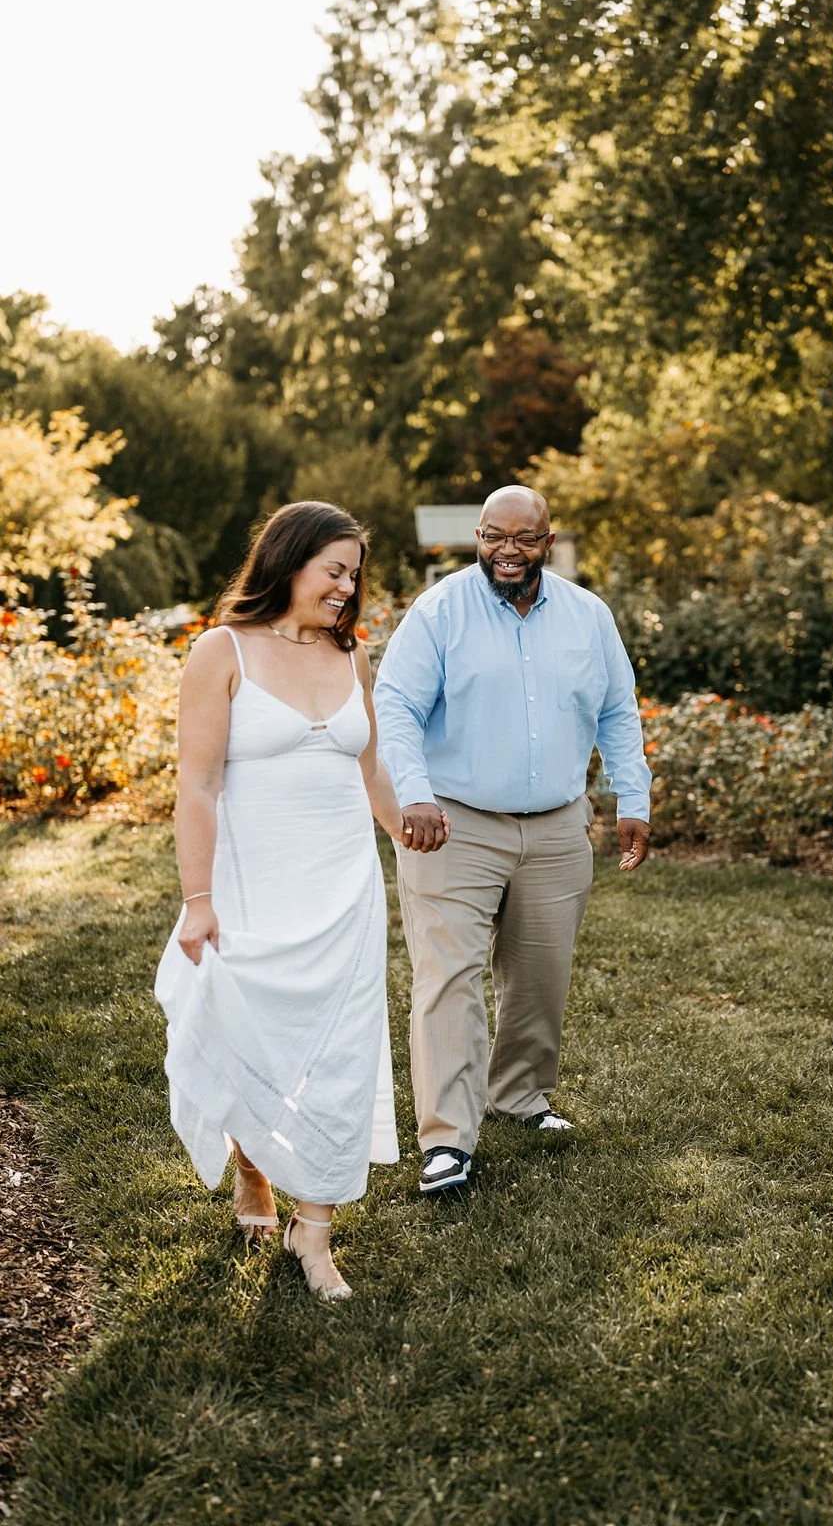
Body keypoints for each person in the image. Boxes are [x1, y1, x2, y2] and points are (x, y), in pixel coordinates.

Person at [154, 501, 445, 1300]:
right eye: (336, 571)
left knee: (342, 1056)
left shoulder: (350, 659)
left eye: (355, 574)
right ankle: (255, 1168)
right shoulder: (223, 651)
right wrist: (198, 898)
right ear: (289, 562)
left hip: (343, 888)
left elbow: (370, 770)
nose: (348, 588)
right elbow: (199, 785)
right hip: (253, 885)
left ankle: (314, 1236)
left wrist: (405, 829)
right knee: (255, 1035)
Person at [374, 484, 652, 1196]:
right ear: (477, 535)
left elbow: (618, 709)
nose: (506, 551)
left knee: (539, 975)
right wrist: (416, 794)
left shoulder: (589, 617)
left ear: (548, 540)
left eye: (523, 539)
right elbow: (396, 706)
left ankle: (521, 1096)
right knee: (450, 980)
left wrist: (634, 797)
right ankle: (446, 1142)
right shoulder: (439, 612)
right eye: (493, 536)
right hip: (453, 825)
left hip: (558, 824)